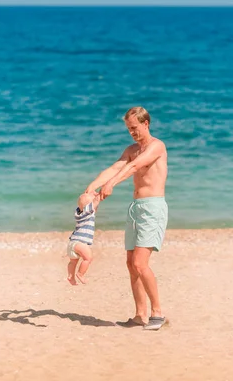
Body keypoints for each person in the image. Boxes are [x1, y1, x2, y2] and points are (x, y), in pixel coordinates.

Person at [85, 106, 169, 331]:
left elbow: (134, 166)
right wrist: (92, 187)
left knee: (141, 263)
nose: (132, 132)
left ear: (146, 124)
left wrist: (112, 184)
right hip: (135, 208)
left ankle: (158, 313)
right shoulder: (132, 148)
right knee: (131, 264)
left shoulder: (157, 146)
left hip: (153, 208)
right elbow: (116, 166)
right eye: (128, 129)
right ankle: (140, 315)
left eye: (134, 128)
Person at [66, 191, 101, 286]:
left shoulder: (78, 213)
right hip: (80, 243)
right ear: (89, 207)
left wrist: (89, 195)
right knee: (88, 259)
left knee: (73, 262)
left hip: (72, 242)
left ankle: (71, 276)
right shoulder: (88, 211)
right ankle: (80, 274)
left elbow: (90, 205)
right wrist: (98, 194)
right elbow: (97, 201)